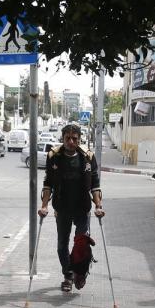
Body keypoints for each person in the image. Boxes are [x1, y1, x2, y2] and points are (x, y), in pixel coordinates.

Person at [38, 123, 104, 293]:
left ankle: (80, 273)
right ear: (63, 138)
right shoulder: (54, 156)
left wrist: (98, 206)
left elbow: (95, 184)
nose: (71, 142)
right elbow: (48, 183)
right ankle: (68, 276)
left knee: (81, 244)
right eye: (68, 138)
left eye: (75, 139)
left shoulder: (88, 157)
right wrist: (44, 206)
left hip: (82, 208)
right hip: (62, 208)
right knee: (61, 246)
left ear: (79, 139)